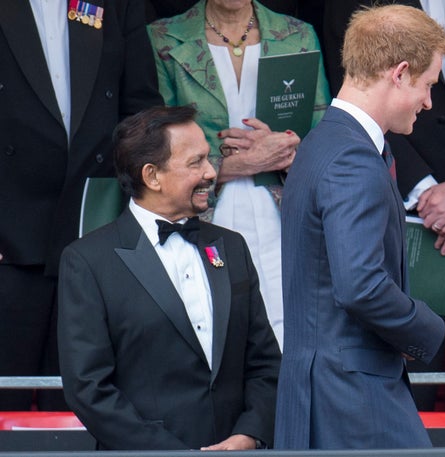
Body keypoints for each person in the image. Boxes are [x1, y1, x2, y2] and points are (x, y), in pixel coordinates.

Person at [275, 5, 445, 450]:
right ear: (399, 73)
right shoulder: (353, 158)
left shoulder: (325, 142)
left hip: (324, 392)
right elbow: (360, 286)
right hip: (352, 401)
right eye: (428, 84)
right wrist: (429, 330)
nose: (429, 102)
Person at [57, 106, 281, 450]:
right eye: (196, 162)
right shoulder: (87, 261)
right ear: (152, 176)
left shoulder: (231, 246)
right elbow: (89, 389)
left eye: (209, 158)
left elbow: (265, 362)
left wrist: (249, 434)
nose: (211, 172)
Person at [0, 0, 161, 411]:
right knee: (7, 401)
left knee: (82, 405)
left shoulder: (116, 5)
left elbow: (141, 110)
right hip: (8, 236)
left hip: (94, 231)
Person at [148, 0, 331, 349]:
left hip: (285, 218)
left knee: (289, 339)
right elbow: (157, 150)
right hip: (199, 215)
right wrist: (237, 164)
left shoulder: (297, 34)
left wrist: (285, 153)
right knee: (212, 340)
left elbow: (322, 139)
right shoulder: (163, 37)